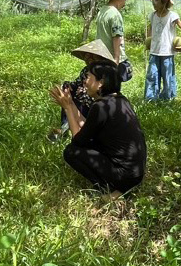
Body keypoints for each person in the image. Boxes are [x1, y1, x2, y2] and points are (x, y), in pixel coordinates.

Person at [51, 61, 147, 197]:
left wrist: (67, 108)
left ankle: (109, 189)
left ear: (100, 83)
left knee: (71, 152)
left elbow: (77, 140)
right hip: (136, 174)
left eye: (88, 77)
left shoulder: (101, 106)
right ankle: (118, 187)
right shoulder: (119, 100)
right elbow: (87, 127)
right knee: (88, 144)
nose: (84, 82)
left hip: (124, 176)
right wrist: (71, 103)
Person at [48, 39, 116, 142]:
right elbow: (77, 84)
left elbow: (103, 96)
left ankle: (79, 129)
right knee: (68, 92)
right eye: (87, 57)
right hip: (85, 103)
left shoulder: (106, 74)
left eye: (92, 57)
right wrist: (68, 86)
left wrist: (85, 95)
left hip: (96, 108)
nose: (88, 60)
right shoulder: (86, 70)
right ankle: (66, 127)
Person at [144, 0, 181, 102]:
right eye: (153, 0)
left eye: (157, 0)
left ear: (165, 1)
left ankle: (168, 97)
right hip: (154, 51)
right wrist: (148, 41)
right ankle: (151, 98)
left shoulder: (172, 16)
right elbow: (150, 29)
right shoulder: (153, 15)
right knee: (152, 75)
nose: (154, 2)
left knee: (168, 76)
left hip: (167, 52)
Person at [95, 0, 132, 82]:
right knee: (113, 85)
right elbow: (116, 37)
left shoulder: (102, 11)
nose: (124, 2)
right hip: (111, 56)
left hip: (101, 54)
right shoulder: (115, 14)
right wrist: (116, 58)